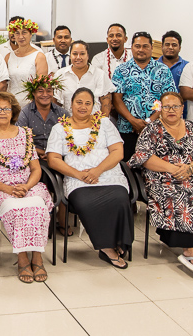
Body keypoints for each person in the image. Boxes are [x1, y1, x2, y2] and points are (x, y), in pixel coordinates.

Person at [128, 92, 193, 276]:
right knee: (180, 192)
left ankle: (191, 250)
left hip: (191, 174)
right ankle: (192, 253)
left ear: (182, 109)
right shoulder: (151, 129)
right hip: (161, 177)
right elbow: (144, 157)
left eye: (175, 106)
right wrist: (172, 169)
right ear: (160, 109)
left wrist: (190, 168)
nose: (171, 110)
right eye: (167, 107)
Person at [46, 88, 132, 269]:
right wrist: (79, 174)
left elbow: (118, 152)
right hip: (77, 179)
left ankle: (117, 241)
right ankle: (107, 247)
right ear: (71, 104)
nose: (83, 107)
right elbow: (53, 160)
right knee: (85, 202)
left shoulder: (105, 124)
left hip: (108, 175)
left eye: (88, 103)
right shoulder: (59, 128)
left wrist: (97, 171)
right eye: (79, 102)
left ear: (94, 106)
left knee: (120, 198)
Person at [0, 92, 54, 283]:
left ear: (13, 112)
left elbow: (35, 169)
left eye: (6, 108)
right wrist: (8, 189)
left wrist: (26, 186)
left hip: (27, 186)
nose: (2, 112)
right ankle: (22, 259)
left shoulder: (25, 134)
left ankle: (37, 255)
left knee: (37, 207)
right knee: (17, 210)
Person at [112, 32, 177, 161]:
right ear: (131, 48)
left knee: (157, 166)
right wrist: (132, 120)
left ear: (152, 48)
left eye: (145, 46)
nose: (141, 50)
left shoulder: (163, 70)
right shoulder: (121, 70)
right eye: (137, 46)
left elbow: (167, 99)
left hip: (157, 130)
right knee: (129, 167)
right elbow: (116, 99)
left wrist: (150, 121)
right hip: (127, 129)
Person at [16, 74, 68, 234]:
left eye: (49, 90)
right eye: (40, 91)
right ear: (33, 93)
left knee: (67, 177)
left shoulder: (61, 112)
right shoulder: (25, 112)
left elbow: (70, 135)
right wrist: (40, 152)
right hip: (34, 155)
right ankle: (45, 222)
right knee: (42, 177)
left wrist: (54, 151)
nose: (45, 94)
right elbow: (20, 138)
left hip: (58, 153)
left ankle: (63, 222)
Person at [54, 41, 114, 116]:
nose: (78, 57)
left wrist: (100, 123)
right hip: (68, 123)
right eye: (75, 54)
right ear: (70, 55)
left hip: (94, 124)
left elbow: (106, 103)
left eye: (82, 54)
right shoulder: (60, 75)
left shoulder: (100, 74)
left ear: (88, 55)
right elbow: (55, 104)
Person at [5, 18, 50, 104]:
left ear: (31, 34)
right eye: (17, 33)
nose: (21, 37)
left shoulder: (39, 56)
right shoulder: (8, 56)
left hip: (30, 104)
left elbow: (41, 85)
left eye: (24, 33)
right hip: (11, 103)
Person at [158, 31, 189, 103]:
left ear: (180, 48)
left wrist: (174, 101)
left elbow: (189, 90)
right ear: (162, 46)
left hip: (182, 111)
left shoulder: (188, 67)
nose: (170, 47)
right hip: (157, 111)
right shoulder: (153, 67)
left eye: (174, 45)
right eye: (167, 44)